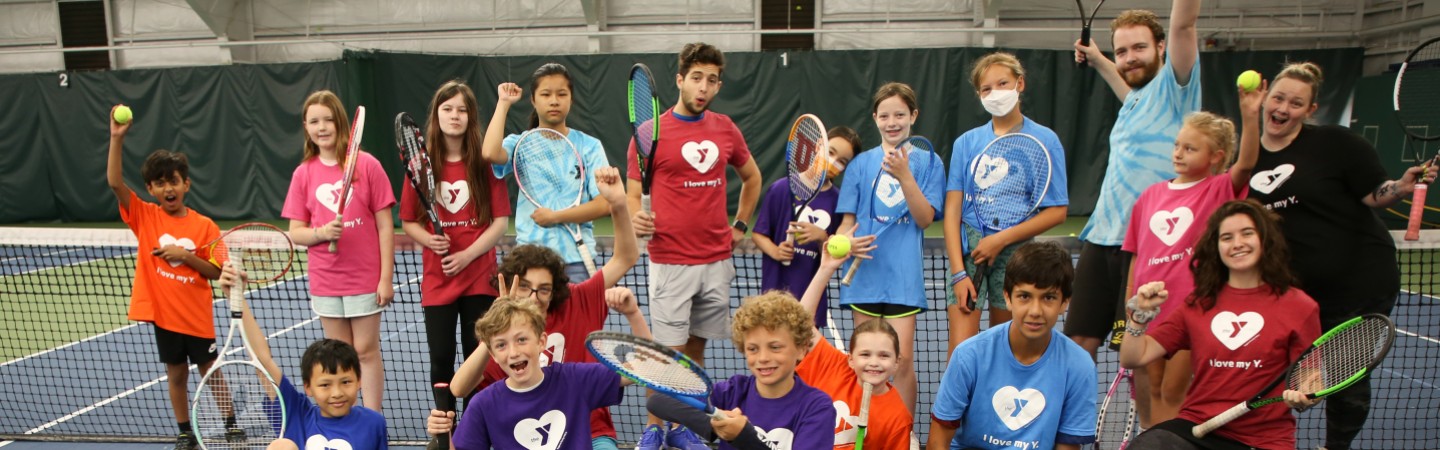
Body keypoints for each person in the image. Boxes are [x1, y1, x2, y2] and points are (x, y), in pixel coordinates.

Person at [1246, 62, 1435, 450]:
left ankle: (1335, 448)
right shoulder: (1247, 156)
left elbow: (1373, 194)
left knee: (1347, 378)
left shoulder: (1337, 144)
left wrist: (1399, 186)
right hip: (1295, 289)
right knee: (1270, 368)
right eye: (1278, 98)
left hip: (1360, 281)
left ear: (1311, 110)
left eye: (1296, 103)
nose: (1283, 108)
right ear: (1264, 96)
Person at [626, 41, 764, 449]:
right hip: (670, 261)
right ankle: (655, 427)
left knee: (695, 349)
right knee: (664, 356)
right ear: (680, 80)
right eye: (697, 78)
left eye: (713, 80)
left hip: (716, 259)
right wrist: (637, 215)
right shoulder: (650, 132)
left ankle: (686, 426)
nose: (704, 87)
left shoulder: (725, 129)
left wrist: (739, 225)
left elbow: (752, 178)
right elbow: (634, 193)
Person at [447, 167, 640, 450]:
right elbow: (459, 388)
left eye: (544, 289)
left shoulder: (579, 300)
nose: (534, 296)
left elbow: (626, 256)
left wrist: (619, 203)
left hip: (589, 429)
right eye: (524, 286)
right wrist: (496, 326)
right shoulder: (505, 334)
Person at [1121, 200, 1321, 449]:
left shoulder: (1300, 306)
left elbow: (1311, 381)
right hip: (1196, 430)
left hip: (1264, 440)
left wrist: (1304, 396)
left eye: (1247, 233)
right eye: (1227, 237)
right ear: (1216, 247)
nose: (1237, 243)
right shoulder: (1199, 304)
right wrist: (1139, 317)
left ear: (1265, 239)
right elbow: (1133, 358)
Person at [1122, 82, 1264, 427]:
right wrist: (1132, 305)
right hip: (1148, 311)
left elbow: (1246, 163)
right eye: (1177, 146)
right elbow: (1136, 255)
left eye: (1190, 148)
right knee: (1149, 386)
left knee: (1173, 390)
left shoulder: (1218, 189)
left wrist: (1249, 114)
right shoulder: (1150, 196)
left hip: (1193, 311)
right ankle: (1151, 440)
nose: (1179, 153)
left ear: (1215, 157)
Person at [1068, 0, 1204, 358]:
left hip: (1149, 243)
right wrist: (1099, 60)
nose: (1129, 58)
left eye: (1140, 48)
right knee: (1078, 343)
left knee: (1143, 356)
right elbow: (1126, 85)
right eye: (1122, 51)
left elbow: (1183, 26)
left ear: (1162, 47)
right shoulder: (1136, 100)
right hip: (1102, 237)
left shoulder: (1177, 88)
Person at [106, 104, 226, 450]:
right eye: (159, 184)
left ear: (185, 184)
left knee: (211, 372)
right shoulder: (144, 217)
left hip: (197, 316)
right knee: (176, 375)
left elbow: (216, 272)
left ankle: (231, 423)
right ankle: (185, 430)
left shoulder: (205, 226)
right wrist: (116, 138)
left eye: (173, 181)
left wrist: (186, 256)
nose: (168, 188)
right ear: (151, 189)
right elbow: (114, 182)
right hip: (165, 318)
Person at [399, 80, 510, 442]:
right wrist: (426, 238)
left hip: (479, 277)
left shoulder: (484, 162)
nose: (455, 115)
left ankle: (475, 429)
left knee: (477, 356)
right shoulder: (421, 165)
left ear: (471, 116)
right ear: (437, 115)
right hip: (438, 280)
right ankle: (443, 433)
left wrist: (466, 255)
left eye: (462, 109)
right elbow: (409, 220)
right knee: (442, 357)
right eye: (447, 108)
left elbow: (499, 223)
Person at [944, 52, 1070, 352]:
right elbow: (952, 211)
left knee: (1006, 345)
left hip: (1017, 252)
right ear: (979, 95)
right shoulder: (966, 142)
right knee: (961, 350)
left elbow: (1057, 211)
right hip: (969, 251)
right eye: (987, 89)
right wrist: (959, 273)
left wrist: (1001, 240)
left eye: (1003, 83)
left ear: (1020, 83)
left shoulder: (1045, 140)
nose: (995, 93)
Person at [835, 81, 946, 411]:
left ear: (913, 115)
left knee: (901, 362)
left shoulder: (929, 163)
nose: (892, 122)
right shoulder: (860, 165)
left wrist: (905, 176)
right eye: (884, 115)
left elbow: (925, 218)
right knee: (866, 364)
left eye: (900, 114)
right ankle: (865, 429)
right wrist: (847, 242)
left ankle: (904, 433)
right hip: (864, 280)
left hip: (903, 281)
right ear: (875, 118)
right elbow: (846, 222)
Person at [281, 90, 394, 411]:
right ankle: (347, 416)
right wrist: (321, 233)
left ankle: (373, 418)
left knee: (367, 350)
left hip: (365, 278)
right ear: (306, 127)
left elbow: (386, 226)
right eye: (314, 121)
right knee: (342, 354)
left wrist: (386, 278)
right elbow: (297, 233)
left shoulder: (367, 165)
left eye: (328, 119)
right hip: (326, 281)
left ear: (340, 123)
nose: (322, 127)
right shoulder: (303, 173)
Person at [927, 241, 1097, 450]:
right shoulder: (968, 356)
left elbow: (1067, 447)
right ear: (1007, 297)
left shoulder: (1080, 366)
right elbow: (938, 442)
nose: (1035, 310)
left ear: (1064, 303)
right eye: (1024, 296)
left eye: (1048, 298)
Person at [426, 295, 647, 450]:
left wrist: (633, 313)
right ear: (492, 354)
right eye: (501, 345)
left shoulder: (574, 380)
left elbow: (645, 366)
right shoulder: (483, 405)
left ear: (541, 342)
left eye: (521, 340)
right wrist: (444, 435)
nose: (513, 352)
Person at [216, 267, 387, 450]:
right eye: (325, 385)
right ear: (308, 387)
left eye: (345, 382)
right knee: (281, 446)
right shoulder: (297, 415)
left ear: (359, 381)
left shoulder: (373, 422)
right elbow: (262, 361)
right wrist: (237, 299)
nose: (337, 392)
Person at [646, 293, 836, 450]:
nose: (762, 358)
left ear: (801, 349)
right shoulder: (733, 392)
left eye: (775, 347)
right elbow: (658, 401)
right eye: (753, 349)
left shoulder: (816, 407)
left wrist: (743, 436)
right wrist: (713, 424)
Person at [481, 63, 610, 281]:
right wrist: (503, 103)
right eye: (545, 94)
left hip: (577, 261)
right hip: (529, 261)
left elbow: (603, 204)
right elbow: (490, 153)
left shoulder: (590, 146)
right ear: (533, 100)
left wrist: (556, 216)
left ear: (571, 99)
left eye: (561, 94)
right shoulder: (519, 144)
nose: (554, 101)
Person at [793, 231, 913, 448]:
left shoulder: (898, 418)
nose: (873, 362)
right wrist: (826, 269)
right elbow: (800, 325)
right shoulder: (834, 367)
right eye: (865, 354)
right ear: (850, 359)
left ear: (896, 363)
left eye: (884, 355)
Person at [753, 126, 860, 327]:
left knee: (807, 357)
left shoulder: (839, 201)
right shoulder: (780, 189)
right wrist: (776, 252)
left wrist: (822, 237)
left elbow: (831, 254)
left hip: (811, 298)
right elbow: (759, 234)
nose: (833, 162)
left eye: (842, 161)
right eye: (831, 152)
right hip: (774, 296)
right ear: (819, 146)